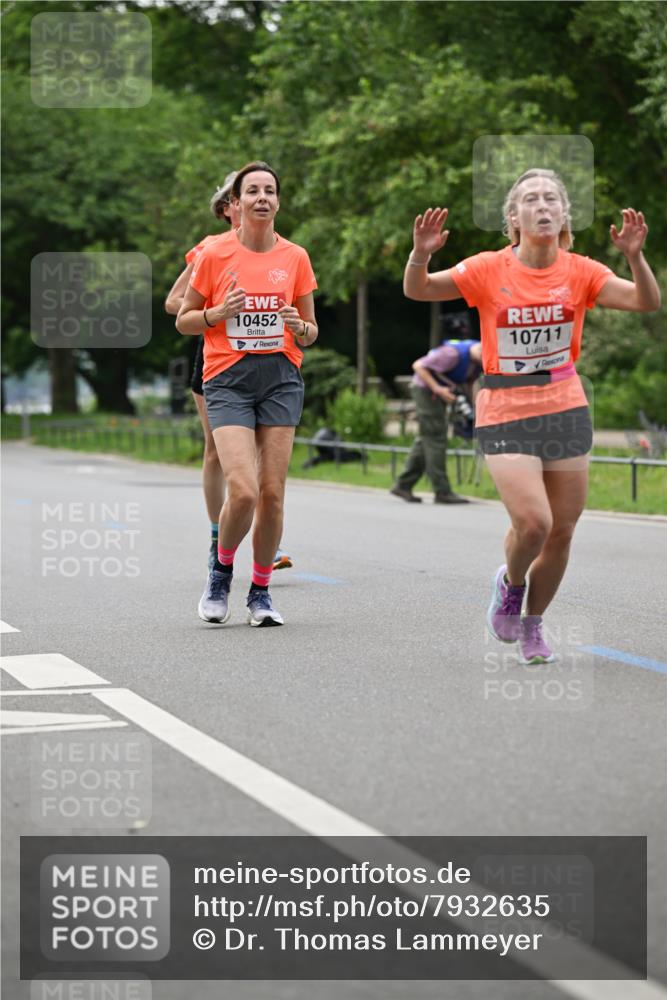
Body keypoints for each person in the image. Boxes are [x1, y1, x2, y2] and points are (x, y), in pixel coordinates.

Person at [403, 169, 660, 663]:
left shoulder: (582, 271)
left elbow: (647, 301)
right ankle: (511, 583)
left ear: (564, 216)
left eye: (551, 199)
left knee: (562, 529)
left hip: (564, 406)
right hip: (504, 408)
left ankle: (533, 625)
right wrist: (421, 253)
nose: (542, 206)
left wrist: (634, 257)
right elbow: (419, 289)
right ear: (513, 219)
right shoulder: (486, 269)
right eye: (530, 200)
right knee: (535, 523)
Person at [176, 161, 318, 627]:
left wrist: (300, 327)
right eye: (252, 190)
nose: (262, 198)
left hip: (280, 377)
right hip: (228, 379)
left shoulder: (295, 257)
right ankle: (220, 573)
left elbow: (310, 330)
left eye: (269, 191)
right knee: (244, 490)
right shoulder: (215, 254)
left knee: (273, 495)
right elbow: (183, 317)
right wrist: (220, 312)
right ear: (237, 202)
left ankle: (260, 593)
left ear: (278, 201)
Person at [165, 174, 293, 574]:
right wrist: (218, 314)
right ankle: (217, 533)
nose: (253, 201)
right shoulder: (208, 250)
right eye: (242, 196)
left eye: (265, 192)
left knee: (264, 466)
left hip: (271, 367)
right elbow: (174, 303)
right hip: (216, 361)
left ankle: (261, 541)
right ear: (228, 208)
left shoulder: (280, 249)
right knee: (218, 451)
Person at [390, 337, 482, 504]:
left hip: (438, 393)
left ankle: (403, 484)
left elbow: (468, 382)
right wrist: (438, 389)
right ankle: (442, 491)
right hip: (426, 390)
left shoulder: (475, 363)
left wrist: (473, 406)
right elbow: (419, 365)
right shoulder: (452, 354)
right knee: (436, 438)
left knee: (427, 438)